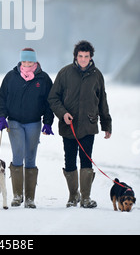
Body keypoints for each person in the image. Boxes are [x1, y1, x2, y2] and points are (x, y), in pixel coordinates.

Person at [48, 40, 112, 208]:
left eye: (86, 56)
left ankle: (85, 197)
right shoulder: (64, 73)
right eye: (80, 56)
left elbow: (102, 101)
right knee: (69, 160)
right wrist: (63, 114)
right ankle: (72, 195)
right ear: (75, 56)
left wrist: (106, 124)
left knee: (86, 159)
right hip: (68, 125)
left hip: (89, 124)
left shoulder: (97, 75)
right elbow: (53, 98)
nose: (83, 59)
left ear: (91, 57)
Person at [0, 48, 54, 208]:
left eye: (30, 61)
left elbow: (50, 102)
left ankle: (29, 198)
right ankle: (17, 195)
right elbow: (1, 97)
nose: (27, 64)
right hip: (14, 122)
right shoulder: (11, 77)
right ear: (21, 61)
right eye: (24, 61)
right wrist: (2, 117)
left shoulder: (43, 79)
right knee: (17, 154)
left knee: (30, 157)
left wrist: (48, 122)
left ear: (35, 62)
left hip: (34, 123)